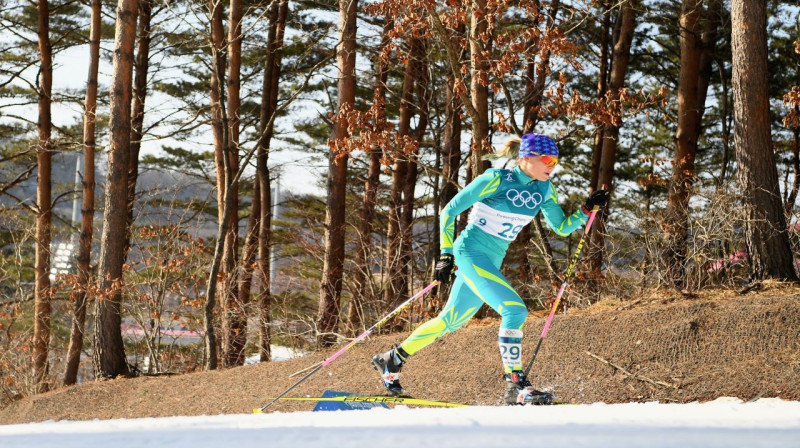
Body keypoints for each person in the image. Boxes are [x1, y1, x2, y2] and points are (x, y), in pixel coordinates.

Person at [371, 133, 609, 405]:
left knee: (451, 320)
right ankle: (515, 384)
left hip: (490, 260)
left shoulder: (544, 189)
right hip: (469, 253)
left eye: (555, 161)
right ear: (526, 158)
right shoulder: (496, 179)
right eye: (547, 159)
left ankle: (392, 359)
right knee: (515, 310)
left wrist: (586, 209)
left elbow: (563, 227)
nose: (552, 165)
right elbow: (449, 210)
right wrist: (446, 255)